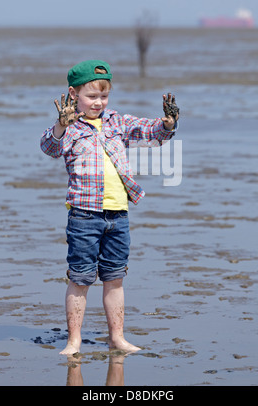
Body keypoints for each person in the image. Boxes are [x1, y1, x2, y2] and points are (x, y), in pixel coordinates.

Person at [40, 59, 179, 355]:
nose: (98, 102)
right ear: (73, 93)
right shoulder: (70, 126)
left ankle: (117, 337)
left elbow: (148, 130)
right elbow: (49, 148)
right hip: (83, 215)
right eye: (91, 96)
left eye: (104, 96)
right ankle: (73, 340)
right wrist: (61, 124)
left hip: (118, 214)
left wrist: (167, 124)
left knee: (115, 278)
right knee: (80, 278)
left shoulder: (116, 121)